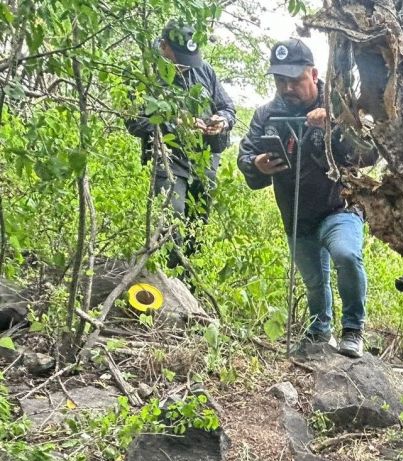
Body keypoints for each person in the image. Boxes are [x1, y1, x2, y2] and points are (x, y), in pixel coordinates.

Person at [237, 39, 378, 357]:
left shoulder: (340, 102)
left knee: (346, 255)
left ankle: (353, 329)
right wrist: (256, 165)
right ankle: (319, 333)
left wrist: (335, 126)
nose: (287, 87)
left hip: (339, 206)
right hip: (297, 216)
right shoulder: (267, 114)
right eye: (280, 80)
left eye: (294, 79)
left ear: (313, 74)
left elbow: (370, 152)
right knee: (315, 282)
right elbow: (245, 155)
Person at [126, 21, 235, 274]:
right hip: (168, 159)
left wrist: (222, 121)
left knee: (199, 224)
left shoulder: (205, 71)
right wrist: (174, 123)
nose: (186, 64)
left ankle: (191, 286)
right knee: (171, 220)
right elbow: (133, 121)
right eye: (180, 58)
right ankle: (166, 282)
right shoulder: (146, 73)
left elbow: (228, 108)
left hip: (205, 161)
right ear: (164, 47)